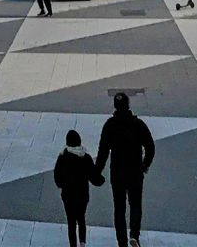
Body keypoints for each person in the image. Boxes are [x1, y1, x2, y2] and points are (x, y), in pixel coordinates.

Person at [95, 92, 155, 247]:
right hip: (135, 172)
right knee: (135, 205)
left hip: (117, 173)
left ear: (115, 106)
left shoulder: (110, 125)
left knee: (119, 208)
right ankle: (134, 235)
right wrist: (145, 165)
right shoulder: (138, 124)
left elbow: (102, 153)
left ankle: (121, 242)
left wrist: (96, 172)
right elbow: (150, 147)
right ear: (128, 105)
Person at [53, 128, 103, 247]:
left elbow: (57, 177)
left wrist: (63, 185)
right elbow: (94, 177)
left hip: (68, 195)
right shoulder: (85, 158)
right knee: (81, 219)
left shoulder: (63, 157)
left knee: (71, 222)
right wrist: (102, 180)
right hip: (82, 195)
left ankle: (73, 245)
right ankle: (82, 243)